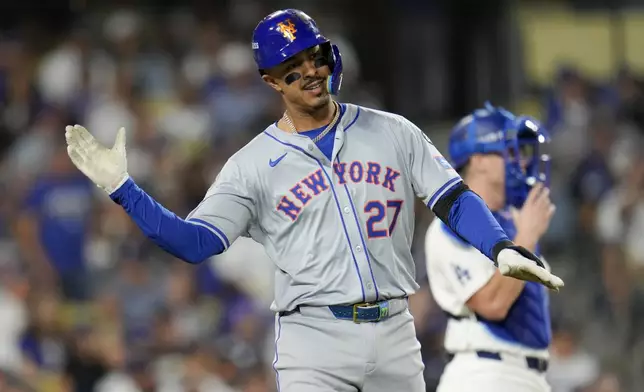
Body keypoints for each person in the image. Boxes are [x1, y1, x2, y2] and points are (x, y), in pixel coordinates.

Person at [63, 9, 563, 392]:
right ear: (271, 81)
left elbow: (453, 199)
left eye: (313, 56)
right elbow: (195, 243)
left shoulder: (393, 132)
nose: (309, 71)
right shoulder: (251, 164)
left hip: (394, 329)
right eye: (292, 66)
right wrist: (124, 190)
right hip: (314, 340)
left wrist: (500, 247)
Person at [425, 104, 556, 392]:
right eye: (509, 151)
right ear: (480, 159)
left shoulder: (513, 221)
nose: (521, 162)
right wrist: (527, 236)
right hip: (485, 375)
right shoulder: (453, 223)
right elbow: (492, 305)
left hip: (526, 375)